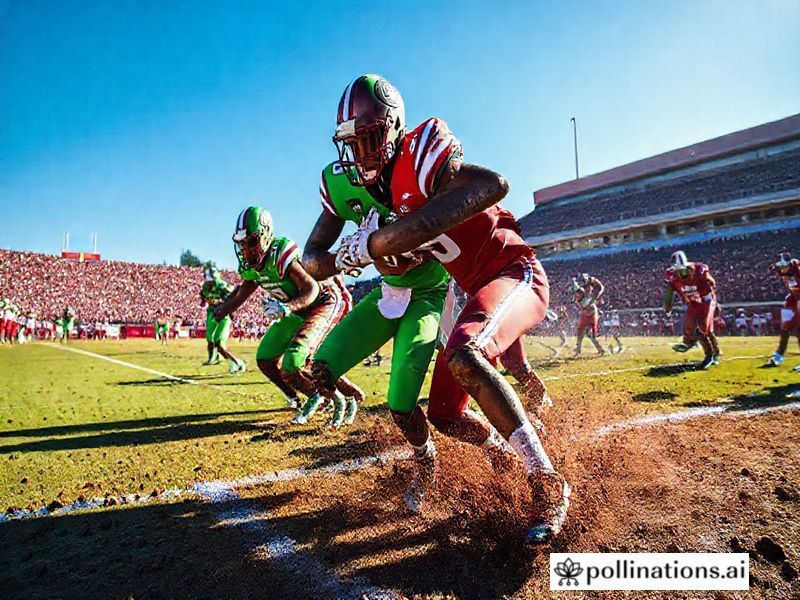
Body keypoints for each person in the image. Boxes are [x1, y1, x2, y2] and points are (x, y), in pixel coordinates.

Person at [325, 74, 569, 543]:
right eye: (353, 146)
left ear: (393, 129)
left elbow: (493, 184)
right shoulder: (382, 197)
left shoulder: (420, 154)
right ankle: (502, 449)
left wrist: (379, 240)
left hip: (513, 273)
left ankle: (546, 480)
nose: (362, 155)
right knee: (443, 412)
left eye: (370, 140)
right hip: (472, 291)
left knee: (466, 355)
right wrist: (360, 249)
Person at [215, 206, 363, 426]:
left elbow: (311, 289)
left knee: (296, 361)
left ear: (266, 235)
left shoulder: (279, 253)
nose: (247, 250)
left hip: (323, 301)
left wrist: (285, 308)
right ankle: (301, 397)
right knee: (266, 358)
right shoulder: (252, 267)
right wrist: (223, 310)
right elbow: (242, 291)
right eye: (242, 244)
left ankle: (334, 397)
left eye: (252, 242)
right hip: (297, 308)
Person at [663, 251, 720, 369]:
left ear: (688, 267)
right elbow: (669, 293)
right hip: (693, 302)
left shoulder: (699, 270)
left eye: (683, 270)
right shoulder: (672, 278)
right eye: (677, 271)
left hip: (706, 299)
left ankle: (710, 354)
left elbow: (712, 283)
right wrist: (667, 306)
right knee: (689, 327)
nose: (680, 274)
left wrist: (715, 303)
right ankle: (690, 342)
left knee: (703, 327)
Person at [200, 266, 246, 373]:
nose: (209, 284)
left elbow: (236, 292)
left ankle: (239, 363)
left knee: (220, 344)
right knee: (211, 340)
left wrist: (230, 308)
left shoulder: (222, 285)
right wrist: (203, 302)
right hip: (212, 312)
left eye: (211, 281)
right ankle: (216, 359)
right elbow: (202, 294)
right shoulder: (205, 287)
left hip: (224, 315)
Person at [767, 252, 800, 367]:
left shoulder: (798, 271)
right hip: (793, 299)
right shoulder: (782, 271)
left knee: (798, 329)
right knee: (785, 327)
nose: (782, 269)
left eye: (783, 266)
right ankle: (779, 355)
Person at [569, 274, 605, 356]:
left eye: (576, 294)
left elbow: (598, 289)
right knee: (580, 332)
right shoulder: (579, 297)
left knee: (591, 335)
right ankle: (578, 349)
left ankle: (600, 349)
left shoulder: (586, 298)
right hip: (585, 314)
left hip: (591, 314)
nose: (575, 296)